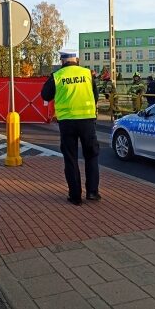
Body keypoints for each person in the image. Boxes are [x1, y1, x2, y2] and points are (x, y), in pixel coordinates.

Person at [41, 51, 100, 206]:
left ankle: (75, 196)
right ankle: (93, 192)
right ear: (76, 60)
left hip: (67, 122)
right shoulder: (87, 74)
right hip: (87, 121)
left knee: (71, 158)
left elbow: (45, 95)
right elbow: (95, 95)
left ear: (62, 61)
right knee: (91, 155)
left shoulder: (58, 75)